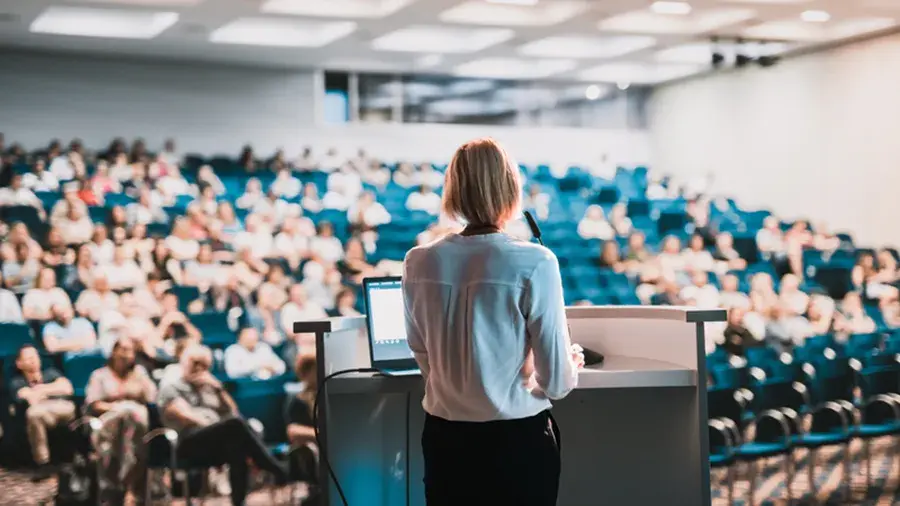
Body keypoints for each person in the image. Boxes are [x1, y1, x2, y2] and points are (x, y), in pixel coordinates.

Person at [402, 138, 582, 506]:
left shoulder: (417, 261)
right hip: (517, 441)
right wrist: (569, 363)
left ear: (453, 190)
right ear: (509, 190)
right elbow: (558, 384)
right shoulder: (536, 261)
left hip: (445, 439)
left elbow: (422, 352)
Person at [156, 344, 289, 506]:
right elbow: (185, 416)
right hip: (187, 443)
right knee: (234, 427)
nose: (198, 368)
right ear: (184, 363)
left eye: (203, 365)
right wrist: (217, 425)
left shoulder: (210, 388)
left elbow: (234, 412)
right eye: (194, 363)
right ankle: (272, 466)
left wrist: (217, 388)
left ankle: (239, 502)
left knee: (237, 445)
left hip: (215, 443)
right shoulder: (172, 387)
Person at [84, 337, 158, 503]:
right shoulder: (99, 375)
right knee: (127, 414)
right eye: (123, 349)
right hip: (109, 420)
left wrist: (141, 379)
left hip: (136, 425)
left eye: (130, 350)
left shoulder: (139, 374)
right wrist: (119, 408)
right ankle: (123, 488)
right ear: (114, 352)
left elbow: (152, 398)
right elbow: (94, 404)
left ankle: (127, 487)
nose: (126, 354)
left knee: (134, 415)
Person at [10, 344, 76, 480]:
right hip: (42, 415)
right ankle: (43, 463)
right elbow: (29, 398)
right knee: (34, 414)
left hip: (62, 409)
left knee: (36, 412)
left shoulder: (51, 373)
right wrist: (53, 389)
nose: (33, 360)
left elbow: (67, 388)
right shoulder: (17, 381)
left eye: (35, 356)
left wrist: (40, 390)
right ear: (19, 363)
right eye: (28, 358)